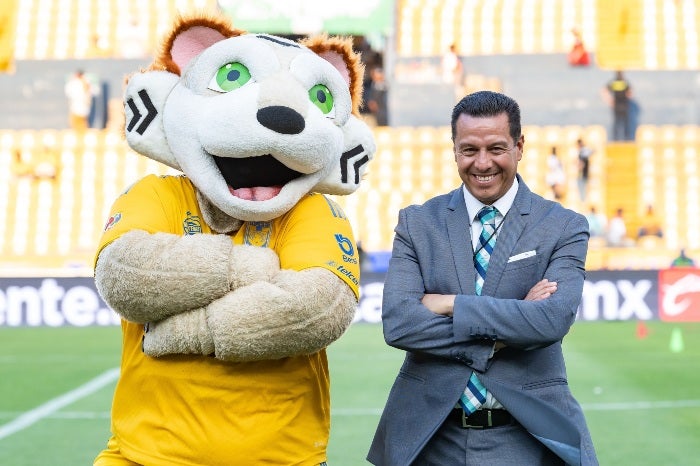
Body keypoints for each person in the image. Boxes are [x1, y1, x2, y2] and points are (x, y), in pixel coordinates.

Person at [367, 91, 597, 466]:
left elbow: (552, 320)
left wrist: (450, 304)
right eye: (469, 149)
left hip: (526, 439)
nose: (483, 163)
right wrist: (508, 326)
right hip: (429, 439)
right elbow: (399, 324)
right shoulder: (418, 222)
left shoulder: (563, 226)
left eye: (496, 148)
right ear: (454, 149)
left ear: (519, 146)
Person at [602, 70, 633, 141]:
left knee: (617, 124)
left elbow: (604, 90)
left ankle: (616, 140)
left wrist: (609, 100)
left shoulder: (614, 83)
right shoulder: (624, 83)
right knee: (625, 124)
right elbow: (630, 93)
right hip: (624, 105)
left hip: (617, 105)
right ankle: (626, 140)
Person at [576, 138, 594, 202]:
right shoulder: (582, 150)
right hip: (583, 171)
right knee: (582, 184)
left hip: (584, 171)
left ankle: (583, 199)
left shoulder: (584, 150)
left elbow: (591, 152)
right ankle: (583, 199)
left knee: (583, 185)